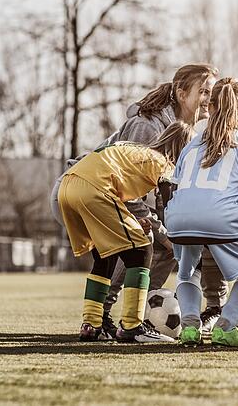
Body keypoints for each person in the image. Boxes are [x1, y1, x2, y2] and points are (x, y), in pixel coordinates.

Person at [50, 64, 229, 339]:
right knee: (141, 247)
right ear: (182, 94)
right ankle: (130, 325)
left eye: (212, 92)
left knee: (112, 255)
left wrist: (155, 226)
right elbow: (131, 191)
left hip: (76, 189)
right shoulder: (151, 135)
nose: (210, 98)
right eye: (204, 91)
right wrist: (161, 229)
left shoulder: (164, 138)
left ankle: (96, 322)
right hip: (91, 191)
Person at [57, 122, 194, 343]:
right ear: (183, 150)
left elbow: (121, 193)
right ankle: (132, 326)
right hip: (95, 189)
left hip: (68, 185)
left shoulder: (135, 151)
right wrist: (176, 238)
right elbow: (171, 206)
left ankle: (92, 325)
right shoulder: (163, 162)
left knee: (106, 255)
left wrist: (138, 220)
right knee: (141, 249)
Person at [165, 78, 238, 347]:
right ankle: (226, 325)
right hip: (221, 219)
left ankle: (189, 327)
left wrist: (173, 217)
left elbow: (171, 188)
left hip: (178, 219)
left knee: (188, 271)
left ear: (209, 107)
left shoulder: (190, 146)